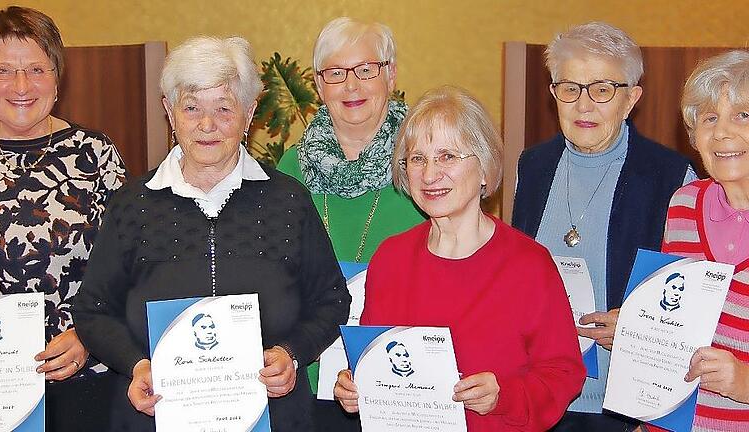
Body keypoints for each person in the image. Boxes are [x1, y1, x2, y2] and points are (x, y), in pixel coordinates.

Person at [72, 35, 351, 432]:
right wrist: (137, 364)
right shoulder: (132, 205)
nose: (207, 125)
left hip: (273, 418)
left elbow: (331, 299)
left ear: (249, 112)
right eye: (191, 108)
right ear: (169, 111)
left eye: (224, 108)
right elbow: (93, 310)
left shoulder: (288, 199)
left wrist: (292, 353)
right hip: (155, 416)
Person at [334, 86, 585, 431]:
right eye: (417, 158)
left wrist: (504, 396)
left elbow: (563, 372)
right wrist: (354, 385)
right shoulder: (390, 259)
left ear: (483, 170)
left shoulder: (529, 265)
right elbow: (373, 357)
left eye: (448, 156)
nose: (430, 173)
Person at [511, 22, 697, 431]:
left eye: (602, 89)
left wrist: (640, 325)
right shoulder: (533, 166)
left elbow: (687, 305)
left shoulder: (670, 177)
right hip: (537, 394)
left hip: (622, 402)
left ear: (631, 99)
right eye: (570, 88)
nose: (583, 105)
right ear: (554, 94)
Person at [0, 6, 126, 430]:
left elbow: (133, 267)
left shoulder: (95, 154)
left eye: (36, 69)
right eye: (3, 70)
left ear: (57, 78)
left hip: (86, 377)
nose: (21, 86)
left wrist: (90, 338)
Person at [276, 17, 425, 430]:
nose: (352, 86)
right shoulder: (290, 168)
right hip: (306, 368)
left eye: (366, 70)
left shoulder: (423, 160)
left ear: (390, 75)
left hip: (403, 376)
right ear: (320, 86)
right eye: (336, 73)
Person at [648, 49, 749, 432]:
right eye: (709, 118)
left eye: (743, 115)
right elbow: (673, 317)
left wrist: (744, 382)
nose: (722, 132)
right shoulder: (684, 203)